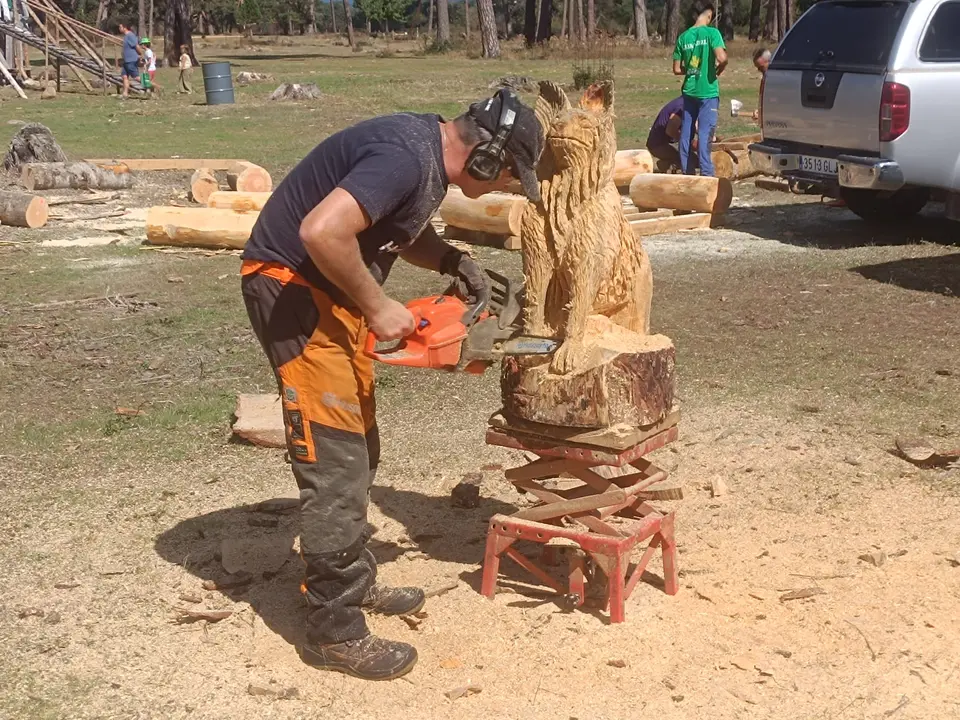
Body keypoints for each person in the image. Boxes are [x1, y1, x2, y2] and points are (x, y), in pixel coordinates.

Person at [240, 90, 544, 681]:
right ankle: (333, 629)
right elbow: (324, 230)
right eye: (508, 174)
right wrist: (378, 304)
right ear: (485, 156)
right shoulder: (406, 157)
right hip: (294, 292)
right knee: (336, 457)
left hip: (326, 294)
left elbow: (394, 230)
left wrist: (453, 261)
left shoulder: (422, 157)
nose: (504, 185)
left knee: (360, 443)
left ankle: (350, 581)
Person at [672, 1, 727, 176]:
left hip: (689, 91)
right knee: (705, 134)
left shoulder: (683, 37)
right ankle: (707, 174)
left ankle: (688, 173)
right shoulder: (712, 33)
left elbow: (676, 69)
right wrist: (720, 68)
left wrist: (692, 70)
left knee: (686, 133)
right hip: (708, 91)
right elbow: (722, 57)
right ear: (709, 15)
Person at [646, 97, 684, 172]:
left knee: (692, 159)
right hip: (657, 145)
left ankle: (666, 163)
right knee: (688, 160)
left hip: (661, 144)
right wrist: (688, 142)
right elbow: (670, 131)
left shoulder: (684, 102)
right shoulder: (682, 106)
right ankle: (668, 166)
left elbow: (696, 125)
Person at [117, 22, 141, 99]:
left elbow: (136, 46)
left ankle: (153, 86)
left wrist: (140, 54)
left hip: (131, 60)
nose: (119, 29)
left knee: (136, 78)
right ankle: (125, 94)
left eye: (120, 27)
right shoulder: (126, 36)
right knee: (124, 76)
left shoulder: (130, 35)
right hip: (126, 61)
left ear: (125, 28)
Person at [751, 47, 771, 123]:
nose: (759, 70)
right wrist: (760, 110)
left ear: (769, 61)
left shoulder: (779, 80)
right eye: (758, 68)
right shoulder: (765, 78)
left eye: (761, 67)